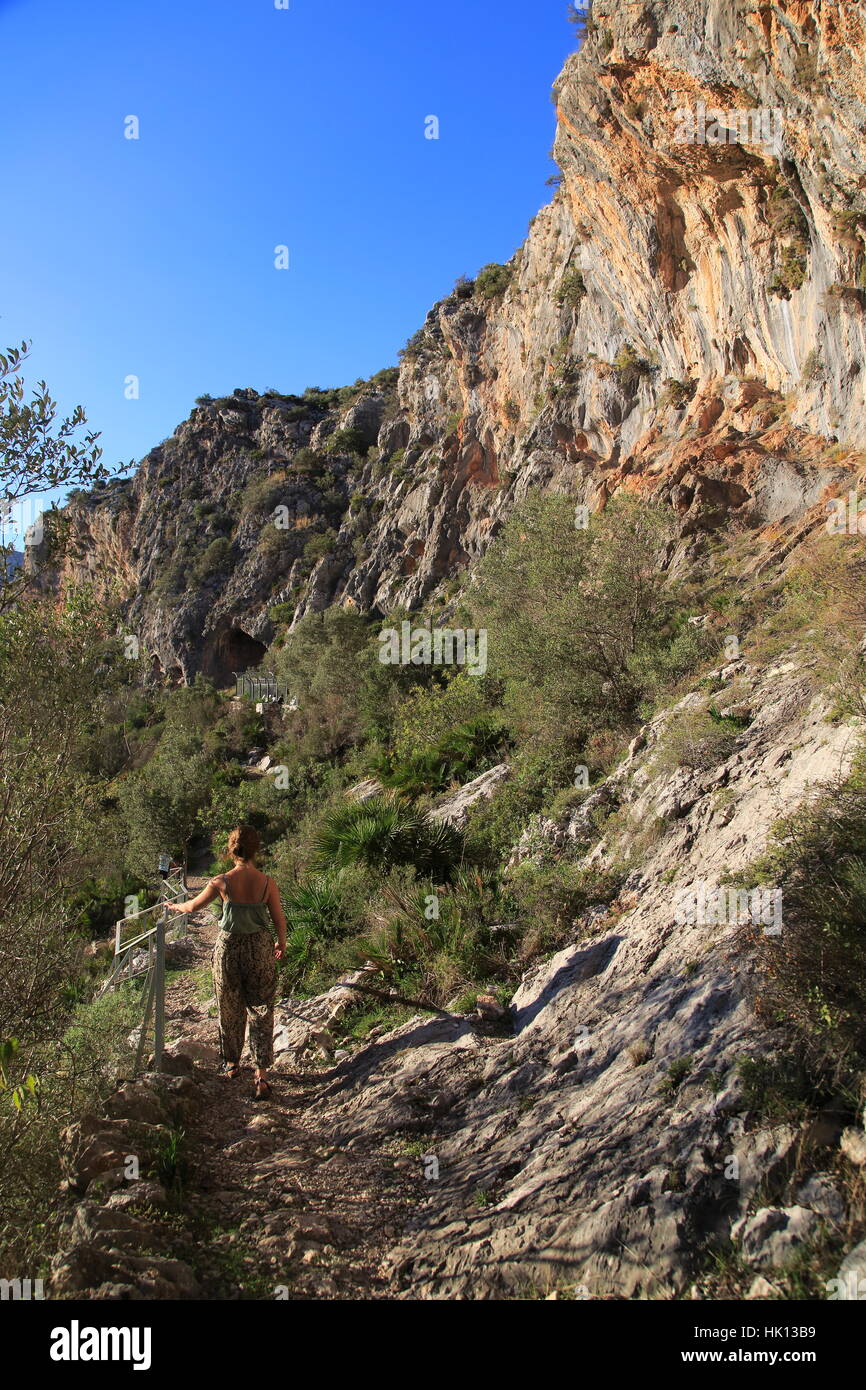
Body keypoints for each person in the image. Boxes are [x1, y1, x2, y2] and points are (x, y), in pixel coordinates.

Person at [166, 825, 287, 1101]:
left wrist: (176, 907)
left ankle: (232, 1064)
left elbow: (194, 907)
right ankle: (261, 1075)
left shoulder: (221, 882)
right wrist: (281, 942)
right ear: (256, 850)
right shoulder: (267, 883)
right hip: (259, 948)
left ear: (230, 849)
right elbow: (279, 917)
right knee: (261, 1008)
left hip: (229, 949)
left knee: (229, 1006)